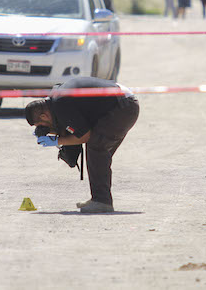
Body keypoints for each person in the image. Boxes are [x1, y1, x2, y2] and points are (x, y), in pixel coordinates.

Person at [25, 77, 140, 213]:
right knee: (97, 152)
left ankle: (102, 201)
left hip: (123, 108)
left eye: (41, 126)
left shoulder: (61, 106)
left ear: (44, 116)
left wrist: (57, 141)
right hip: (121, 102)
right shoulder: (56, 99)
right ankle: (98, 198)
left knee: (96, 147)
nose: (44, 129)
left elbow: (85, 136)